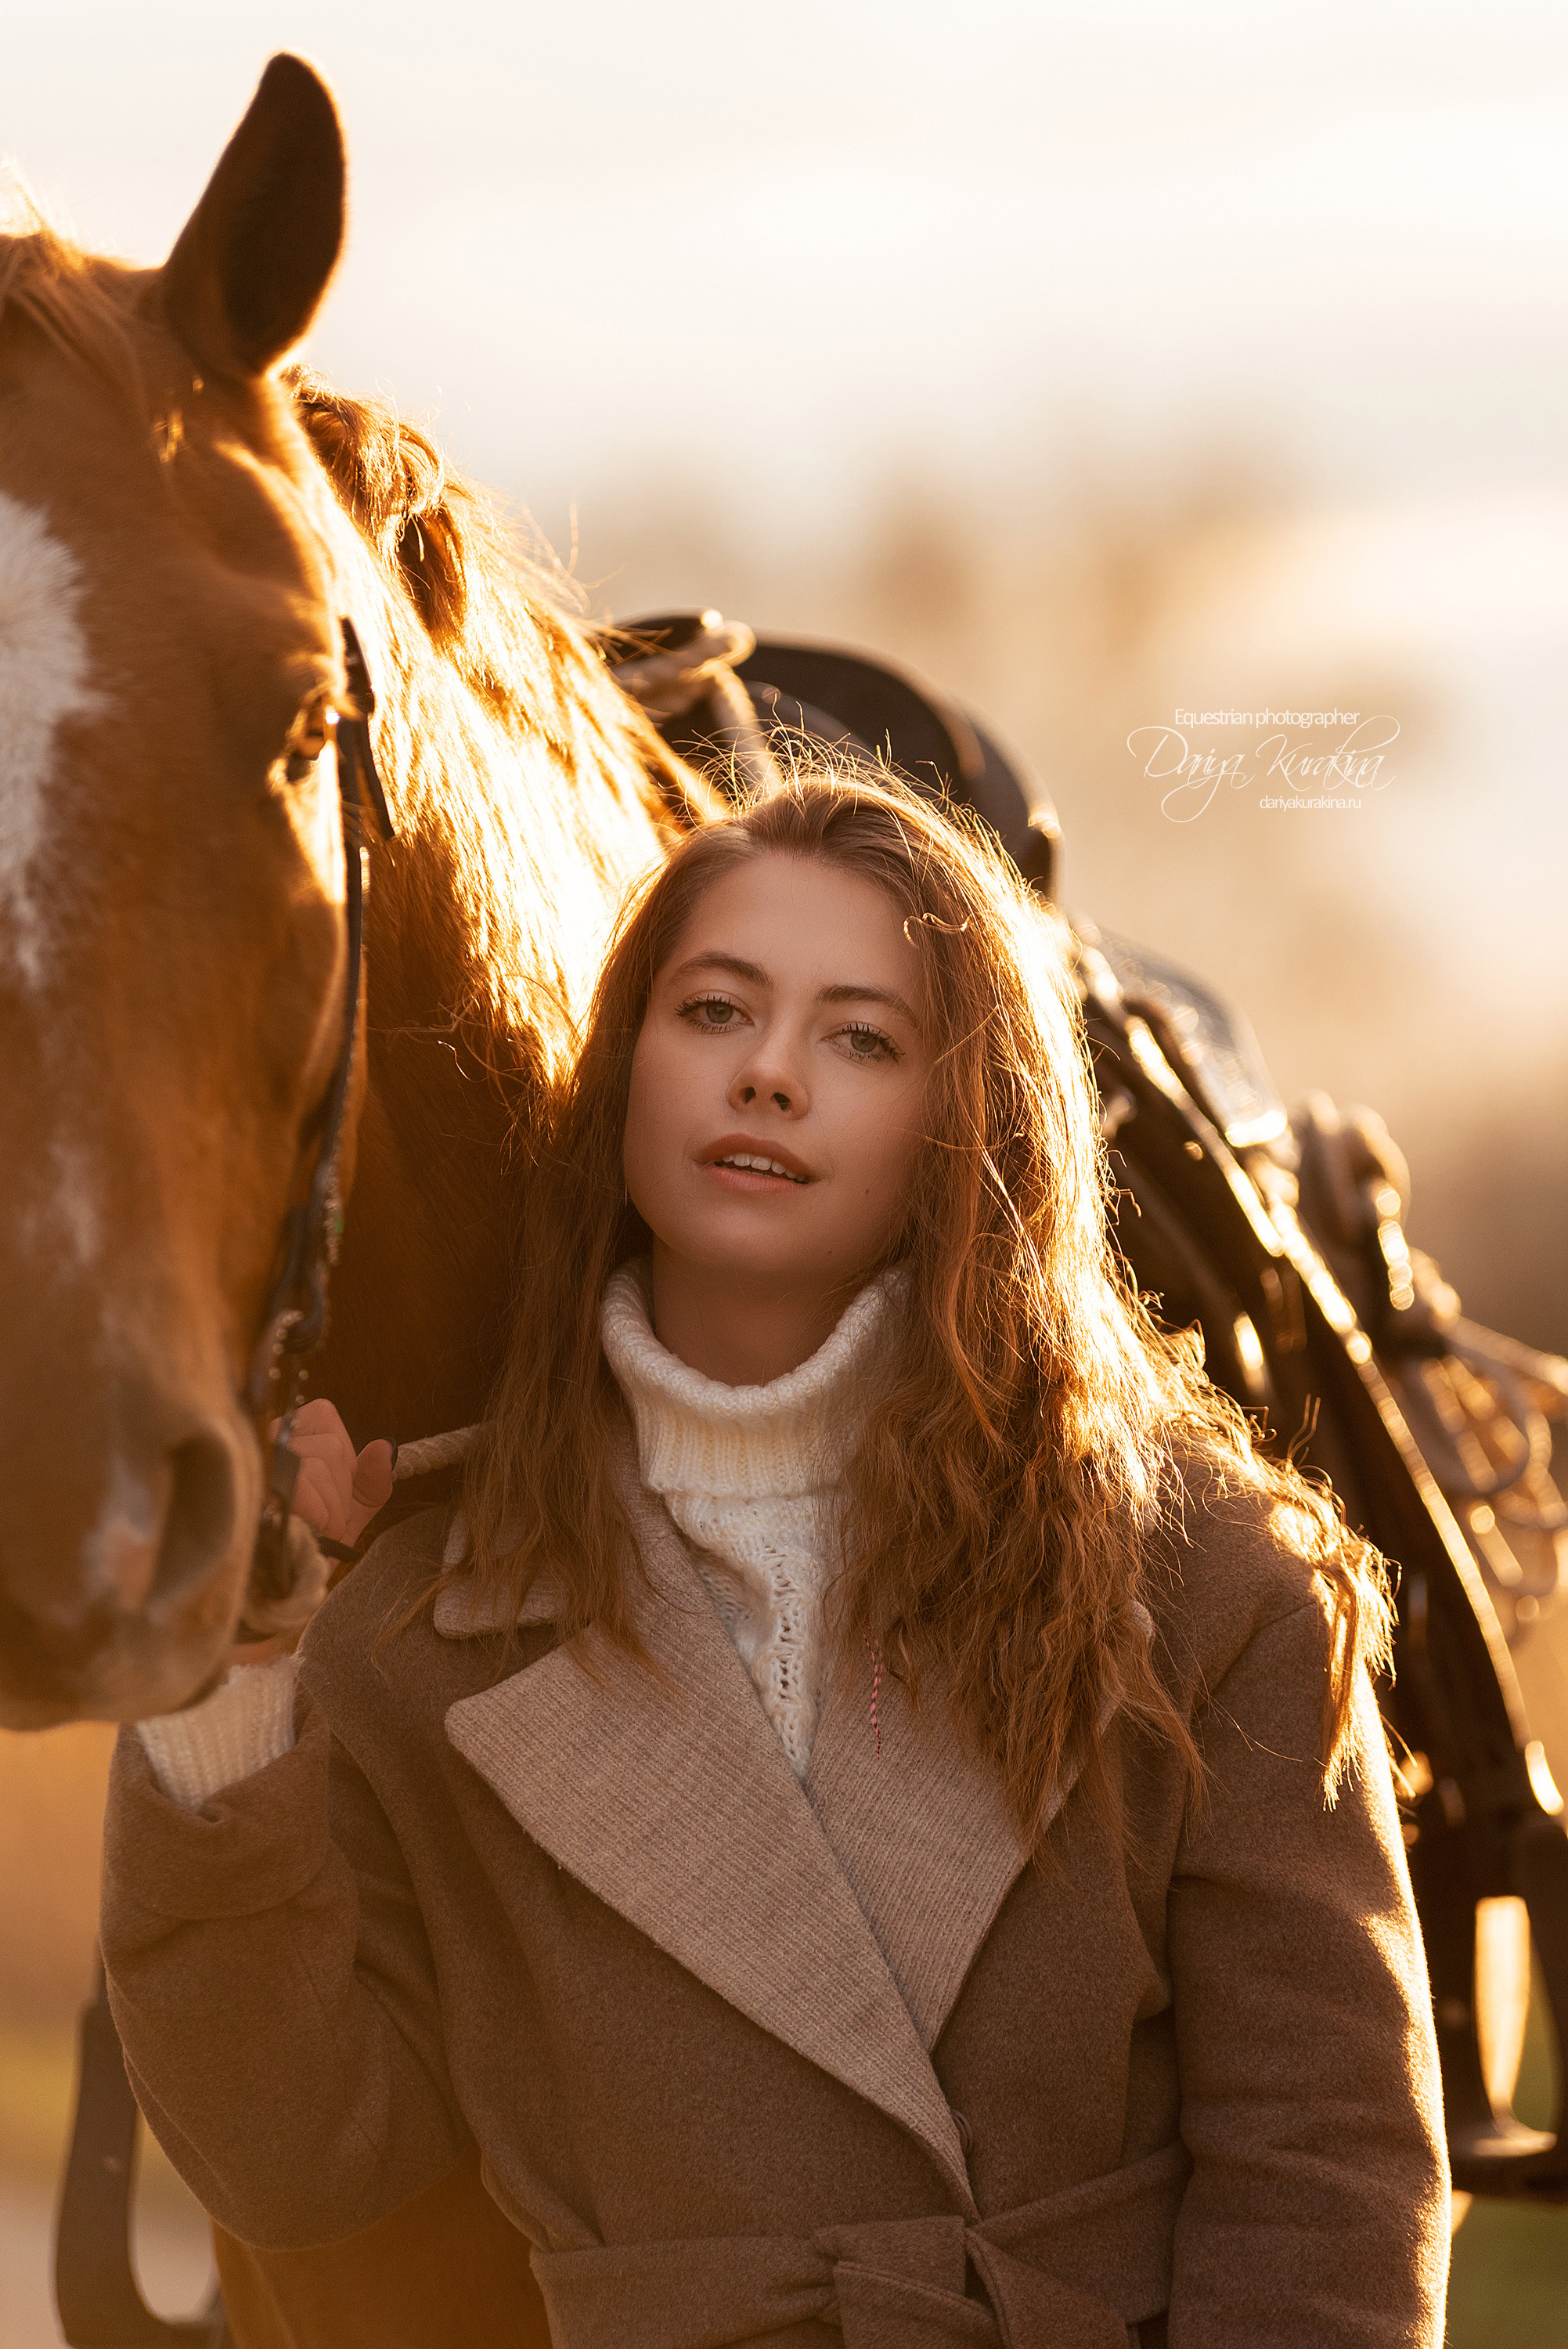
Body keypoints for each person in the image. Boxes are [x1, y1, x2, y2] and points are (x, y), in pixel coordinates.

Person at [103, 770, 1449, 2348]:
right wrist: (237, 1674)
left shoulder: (1203, 1581)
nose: (770, 1077)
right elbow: (296, 2164)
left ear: (970, 1123)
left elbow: (1324, 2188)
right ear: (625, 1078)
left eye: (861, 1037)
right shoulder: (418, 1624)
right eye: (716, 1012)